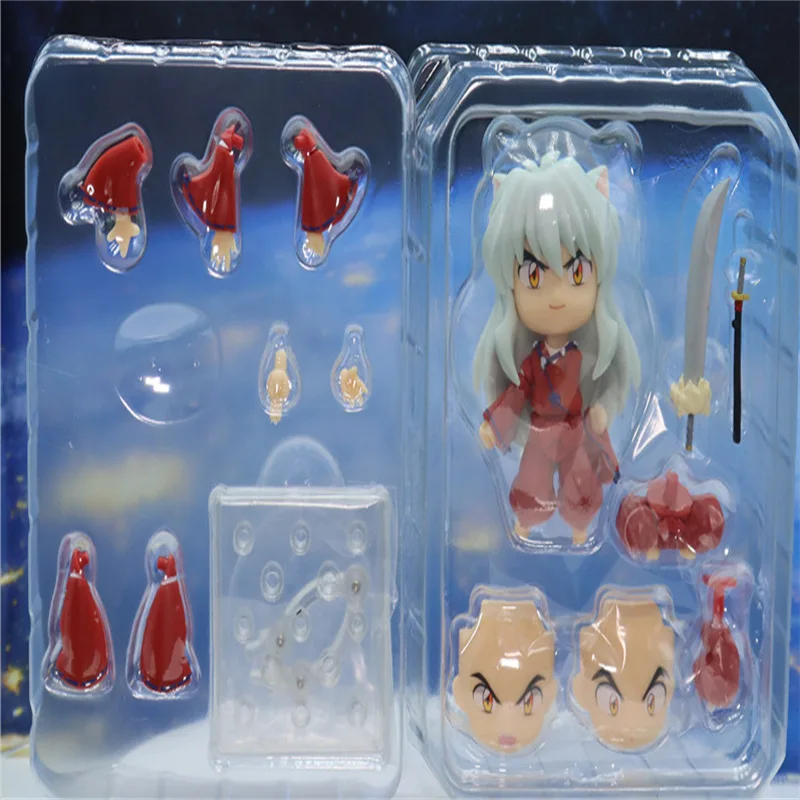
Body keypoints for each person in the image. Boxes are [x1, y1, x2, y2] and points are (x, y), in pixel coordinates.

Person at [474, 150, 640, 544]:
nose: (557, 296)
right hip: (540, 432)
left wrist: (603, 410)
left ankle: (580, 522)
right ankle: (526, 519)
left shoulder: (590, 354)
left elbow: (608, 384)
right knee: (532, 478)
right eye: (533, 276)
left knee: (580, 481)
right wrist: (494, 424)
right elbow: (517, 394)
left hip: (575, 431)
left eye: (577, 272)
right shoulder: (531, 361)